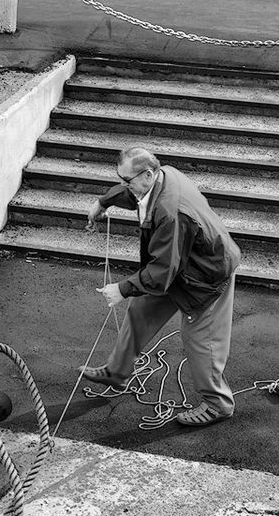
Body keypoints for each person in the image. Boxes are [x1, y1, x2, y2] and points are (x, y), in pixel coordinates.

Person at [82, 146, 241, 427]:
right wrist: (104, 201)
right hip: (180, 265)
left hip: (206, 277)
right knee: (140, 310)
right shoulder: (162, 176)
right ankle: (117, 372)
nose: (124, 185)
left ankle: (218, 404)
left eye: (127, 180)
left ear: (148, 174)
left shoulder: (171, 212)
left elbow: (161, 272)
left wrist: (121, 289)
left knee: (199, 341)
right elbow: (134, 194)